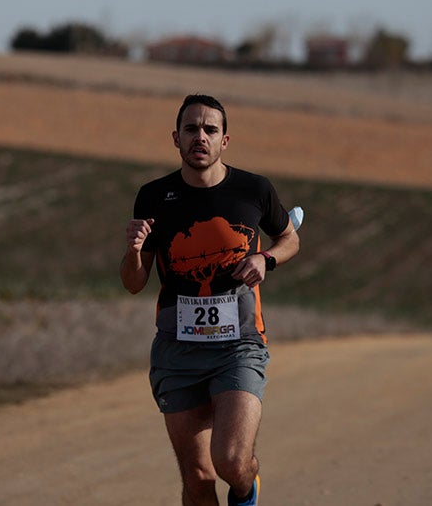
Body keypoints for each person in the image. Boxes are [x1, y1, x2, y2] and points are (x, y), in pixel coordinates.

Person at [121, 94, 300, 506]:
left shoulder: (254, 189)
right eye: (190, 129)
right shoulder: (153, 197)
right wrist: (132, 251)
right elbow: (134, 283)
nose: (199, 136)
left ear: (225, 140)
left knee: (232, 461)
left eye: (209, 129)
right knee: (198, 477)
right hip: (177, 350)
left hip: (238, 345)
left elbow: (289, 237)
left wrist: (265, 257)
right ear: (176, 138)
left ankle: (245, 489)